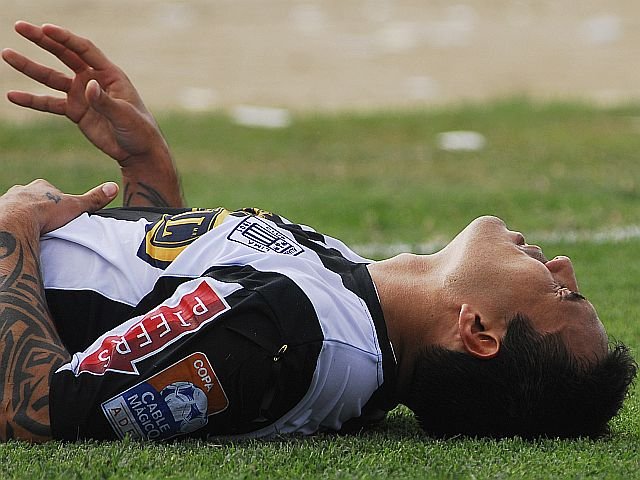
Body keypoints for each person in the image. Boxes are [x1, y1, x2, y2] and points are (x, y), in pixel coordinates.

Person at [0, 21, 636, 443]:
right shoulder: (348, 309)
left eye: (563, 294)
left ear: (479, 333)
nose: (563, 266)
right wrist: (148, 171)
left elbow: (39, 411)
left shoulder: (290, 334)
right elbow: (153, 297)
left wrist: (14, 230)